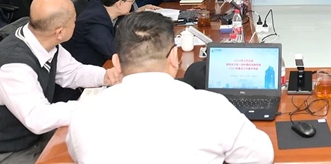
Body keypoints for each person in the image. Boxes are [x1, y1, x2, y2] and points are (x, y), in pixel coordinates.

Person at [67, 11, 274, 164]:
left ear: (116, 63)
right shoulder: (213, 108)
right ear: (175, 57)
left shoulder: (84, 114)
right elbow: (262, 157)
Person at [0, 0, 121, 163]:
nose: (76, 24)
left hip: (26, 136)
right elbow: (38, 118)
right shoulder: (14, 67)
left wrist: (105, 76)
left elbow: (72, 72)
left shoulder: (43, 40)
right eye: (74, 21)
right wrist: (93, 106)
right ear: (59, 32)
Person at [57, 0, 134, 101]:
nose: (133, 3)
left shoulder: (101, 7)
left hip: (97, 68)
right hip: (76, 86)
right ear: (119, 4)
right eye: (132, 0)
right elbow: (114, 50)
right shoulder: (93, 22)